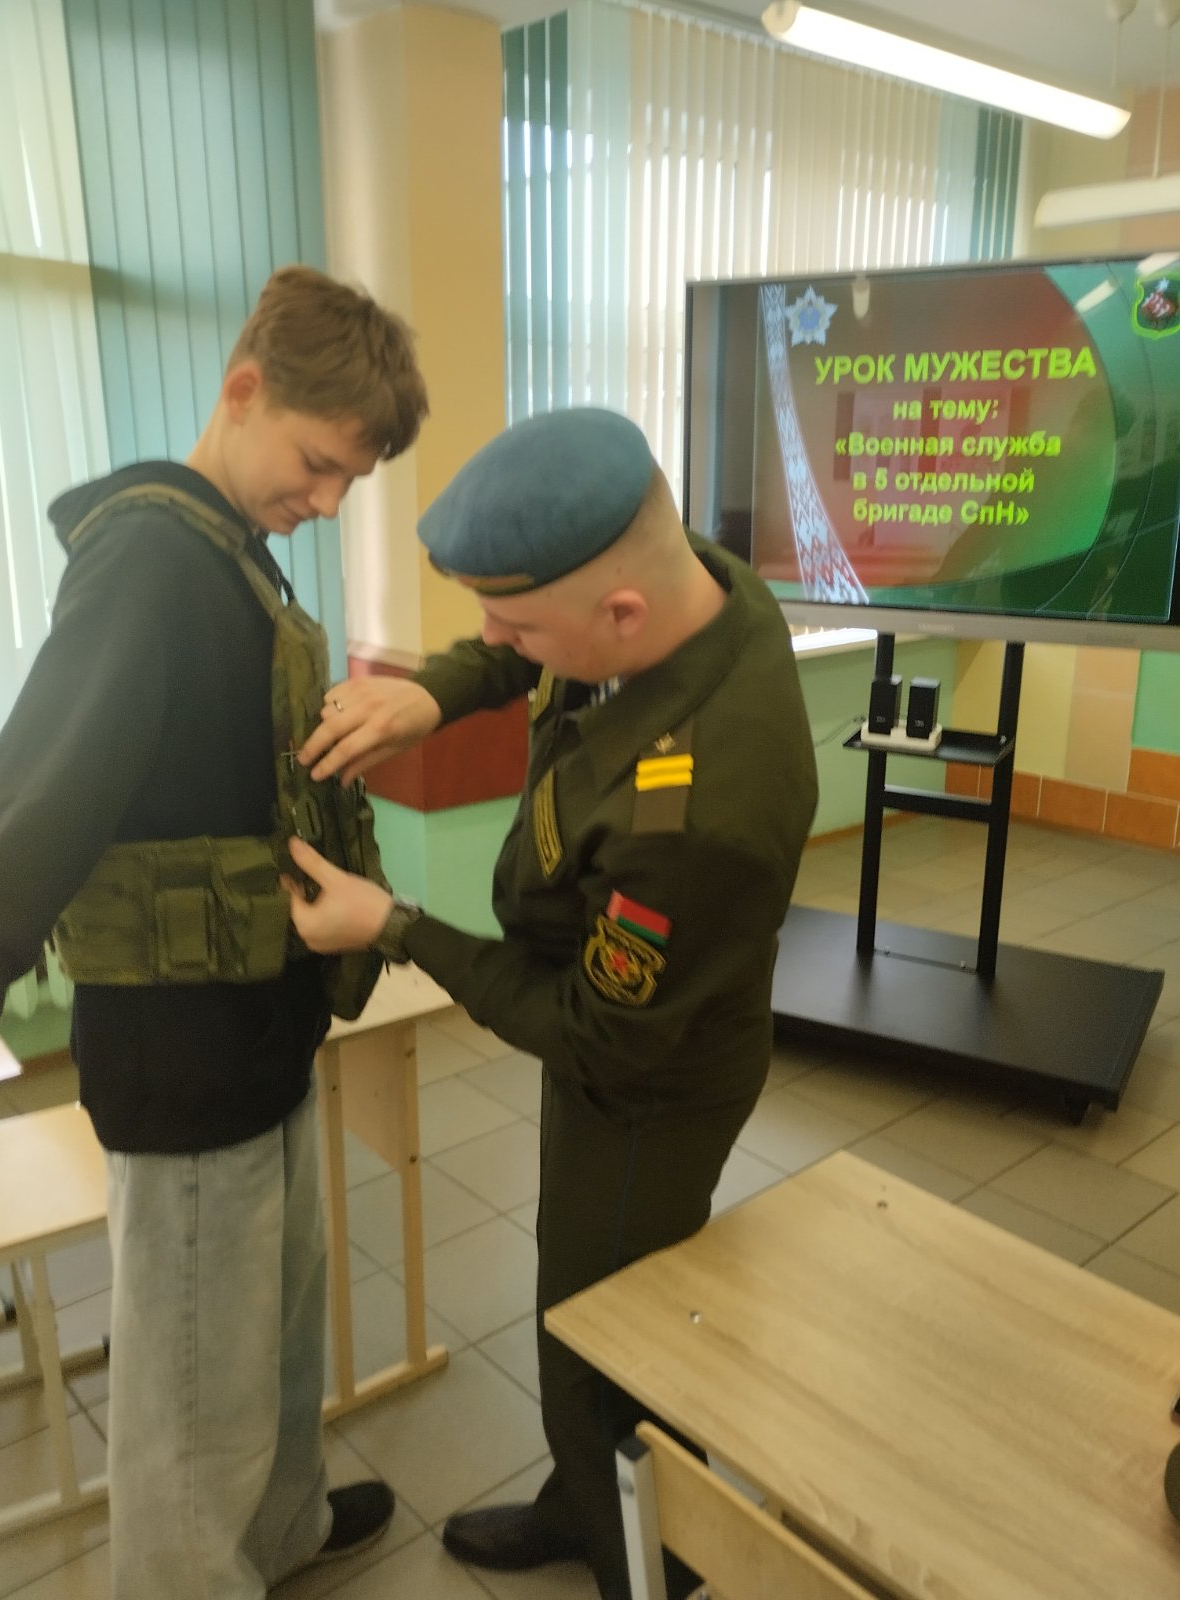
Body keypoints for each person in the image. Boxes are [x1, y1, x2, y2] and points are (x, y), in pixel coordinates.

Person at [288, 407, 819, 1600]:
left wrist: (396, 926)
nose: (495, 641)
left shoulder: (701, 810)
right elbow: (531, 648)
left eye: (514, 625)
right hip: (618, 1036)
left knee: (595, 1341)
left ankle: (647, 1563)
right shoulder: (696, 588)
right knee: (585, 1305)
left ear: (617, 616)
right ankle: (582, 1503)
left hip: (644, 1089)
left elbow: (591, 1031)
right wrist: (435, 694)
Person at [0, 265, 429, 1598]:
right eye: (317, 463)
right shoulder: (146, 564)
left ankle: (279, 1532)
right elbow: (26, 815)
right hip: (183, 1062)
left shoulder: (229, 550)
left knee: (273, 1341)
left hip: (258, 1033)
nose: (329, 501)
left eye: (350, 478)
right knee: (193, 1399)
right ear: (242, 390)